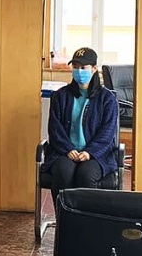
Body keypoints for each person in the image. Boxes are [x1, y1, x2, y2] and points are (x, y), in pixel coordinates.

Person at [40, 47, 120, 200]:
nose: (79, 71)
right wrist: (68, 149)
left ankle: (86, 215)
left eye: (83, 67)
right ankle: (63, 214)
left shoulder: (107, 99)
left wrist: (90, 152)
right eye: (75, 67)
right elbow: (55, 129)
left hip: (96, 155)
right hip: (64, 152)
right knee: (63, 172)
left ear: (94, 69)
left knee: (86, 175)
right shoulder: (60, 96)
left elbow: (107, 132)